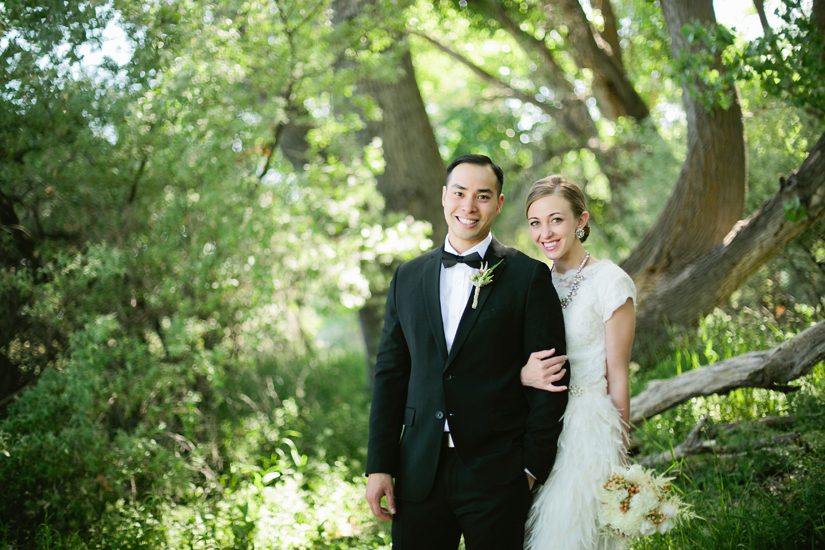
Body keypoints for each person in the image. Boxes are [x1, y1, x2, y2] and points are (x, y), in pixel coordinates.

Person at [364, 155, 570, 550]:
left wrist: (530, 468)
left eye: (482, 196)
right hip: (418, 470)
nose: (469, 206)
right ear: (445, 196)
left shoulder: (527, 276)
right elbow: (390, 374)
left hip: (499, 473)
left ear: (499, 203)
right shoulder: (407, 277)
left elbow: (553, 377)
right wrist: (380, 465)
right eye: (459, 193)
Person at [520, 175, 636, 550]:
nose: (545, 233)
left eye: (556, 219)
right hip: (534, 426)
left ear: (581, 220)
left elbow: (618, 375)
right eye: (535, 223)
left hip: (586, 430)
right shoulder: (532, 281)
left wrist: (620, 456)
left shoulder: (611, 282)